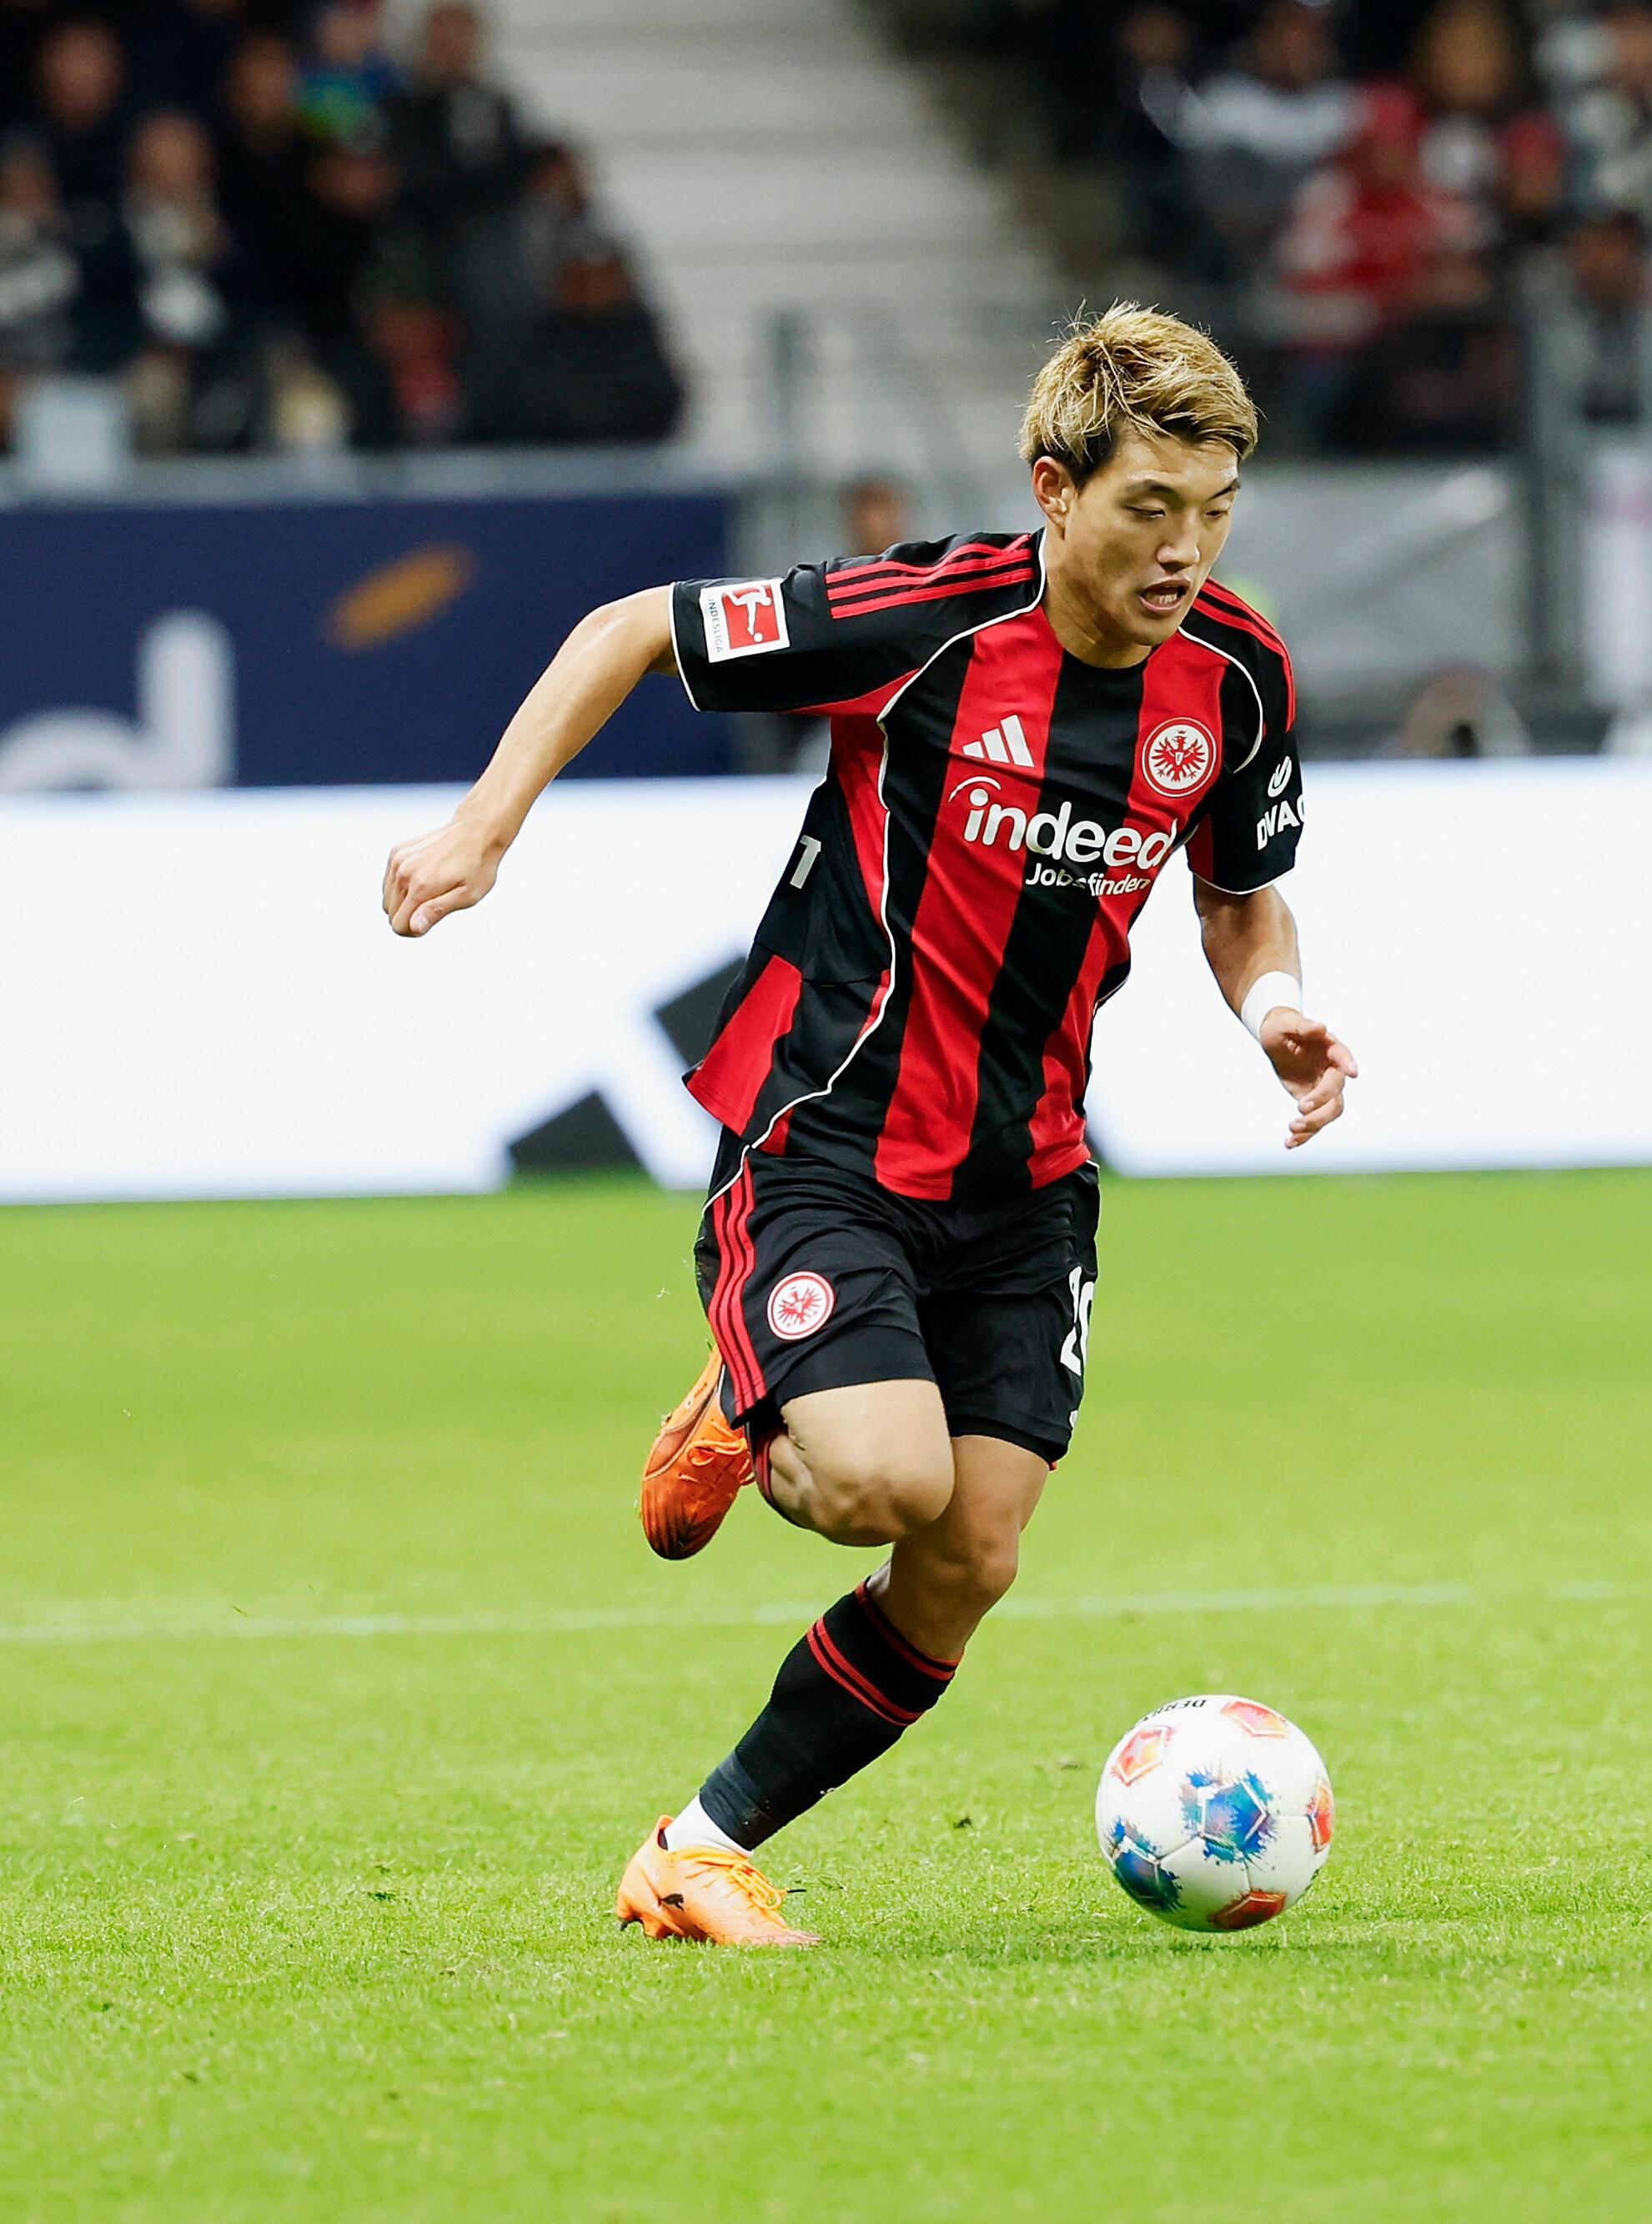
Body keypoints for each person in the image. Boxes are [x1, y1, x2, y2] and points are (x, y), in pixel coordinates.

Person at [377, 307, 1358, 1945]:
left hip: (1030, 1173)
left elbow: (1241, 898)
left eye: (1214, 511)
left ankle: (694, 1850)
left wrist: (1274, 1013)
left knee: (970, 1555)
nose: (1185, 550)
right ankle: (752, 1392)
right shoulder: (924, 619)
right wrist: (486, 827)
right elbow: (629, 628)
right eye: (1147, 508)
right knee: (882, 1483)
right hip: (824, 1136)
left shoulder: (1238, 676)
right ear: (1055, 487)